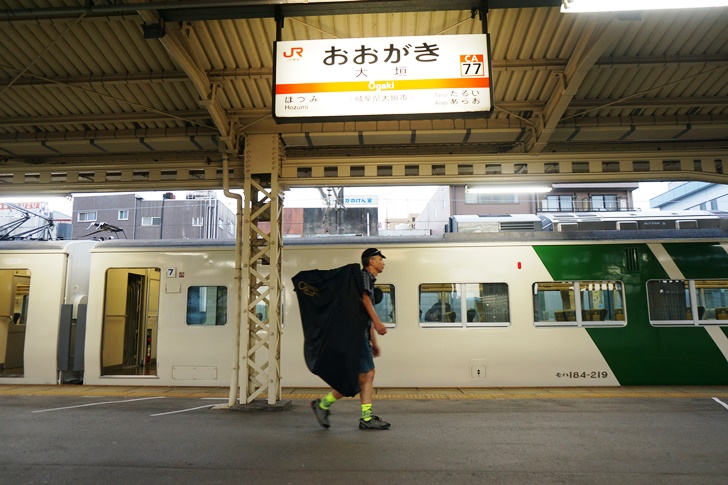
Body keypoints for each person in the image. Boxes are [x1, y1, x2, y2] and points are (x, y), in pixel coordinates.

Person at [311, 247, 390, 430]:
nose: (383, 262)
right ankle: (363, 417)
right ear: (371, 261)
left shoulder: (369, 280)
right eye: (380, 259)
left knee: (360, 378)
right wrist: (378, 324)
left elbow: (362, 315)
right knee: (366, 375)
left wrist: (373, 342)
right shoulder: (364, 277)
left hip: (360, 334)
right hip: (355, 335)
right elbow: (364, 301)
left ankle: (325, 405)